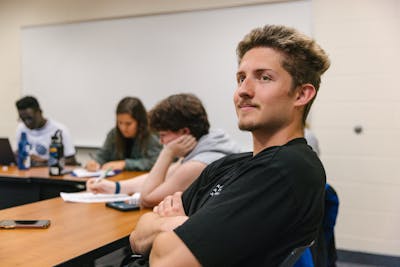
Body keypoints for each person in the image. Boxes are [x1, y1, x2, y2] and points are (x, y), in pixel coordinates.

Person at [129, 24, 331, 267]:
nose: (243, 91)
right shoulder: (228, 165)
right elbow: (137, 237)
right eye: (241, 78)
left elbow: (168, 259)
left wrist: (170, 226)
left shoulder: (286, 168)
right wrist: (176, 224)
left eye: (264, 77)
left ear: (301, 95)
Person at [86, 93, 240, 208]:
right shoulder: (209, 142)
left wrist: (167, 152)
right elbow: (165, 176)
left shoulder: (198, 165)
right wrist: (114, 187)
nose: (161, 141)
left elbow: (147, 198)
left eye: (163, 135)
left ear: (184, 133)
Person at [85, 97, 161, 171]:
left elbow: (155, 161)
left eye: (128, 124)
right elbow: (103, 155)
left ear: (139, 122)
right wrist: (95, 162)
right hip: (116, 180)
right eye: (120, 123)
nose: (123, 128)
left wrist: (125, 164)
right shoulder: (114, 133)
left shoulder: (151, 135)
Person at [15, 95, 78, 166]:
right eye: (23, 119)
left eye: (30, 118)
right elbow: (18, 152)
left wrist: (46, 161)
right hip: (27, 172)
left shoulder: (59, 130)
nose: (27, 123)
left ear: (40, 112)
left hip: (49, 173)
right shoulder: (21, 128)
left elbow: (72, 160)